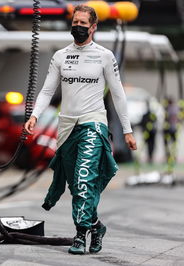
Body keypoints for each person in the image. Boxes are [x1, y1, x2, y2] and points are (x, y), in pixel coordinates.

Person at [24, 5, 136, 255]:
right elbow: (46, 91)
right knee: (77, 185)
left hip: (93, 123)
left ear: (94, 27)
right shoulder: (60, 56)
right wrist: (34, 115)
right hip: (66, 127)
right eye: (75, 22)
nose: (78, 27)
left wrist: (127, 130)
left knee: (85, 177)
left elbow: (118, 94)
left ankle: (80, 233)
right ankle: (96, 226)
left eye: (84, 23)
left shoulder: (105, 56)